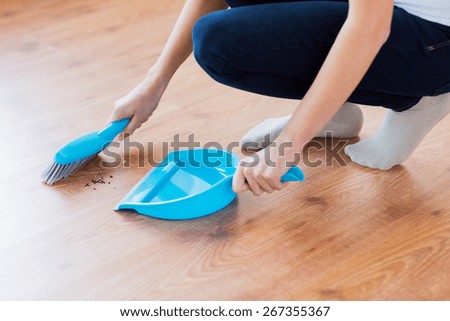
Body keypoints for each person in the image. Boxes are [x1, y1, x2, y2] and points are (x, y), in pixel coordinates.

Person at [108, 0, 450, 196]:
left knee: (219, 44)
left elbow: (369, 28)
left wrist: (285, 149)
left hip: (436, 38)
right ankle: (334, 112)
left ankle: (417, 100)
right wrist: (154, 83)